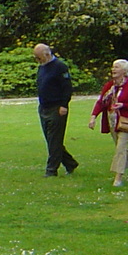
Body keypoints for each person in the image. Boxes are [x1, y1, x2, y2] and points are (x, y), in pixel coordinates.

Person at [91, 58, 128, 188]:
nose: (113, 69)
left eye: (117, 67)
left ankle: (118, 178)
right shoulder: (109, 86)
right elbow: (101, 102)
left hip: (125, 122)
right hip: (112, 122)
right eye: (113, 67)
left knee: (120, 149)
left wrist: (123, 105)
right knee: (123, 148)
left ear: (125, 71)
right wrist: (93, 117)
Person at [33, 43, 77, 176]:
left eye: (39, 58)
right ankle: (70, 163)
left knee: (54, 140)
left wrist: (64, 105)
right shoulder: (42, 67)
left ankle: (51, 170)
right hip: (44, 107)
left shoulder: (60, 67)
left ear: (47, 55)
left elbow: (67, 88)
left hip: (57, 107)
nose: (38, 61)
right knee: (51, 140)